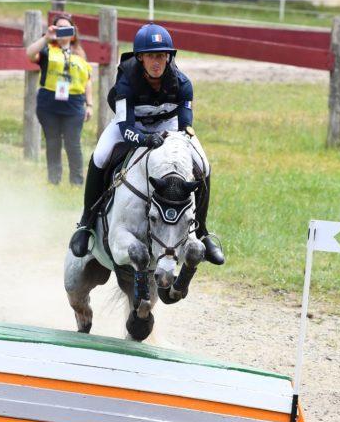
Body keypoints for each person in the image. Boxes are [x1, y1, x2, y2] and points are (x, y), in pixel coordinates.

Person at [68, 22, 224, 265]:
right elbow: (125, 127)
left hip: (168, 127)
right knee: (100, 155)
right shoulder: (126, 82)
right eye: (151, 56)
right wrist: (143, 139)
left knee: (203, 165)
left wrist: (175, 139)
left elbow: (185, 126)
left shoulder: (182, 83)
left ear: (169, 57)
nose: (157, 62)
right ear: (140, 57)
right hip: (131, 125)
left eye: (162, 56)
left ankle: (203, 231)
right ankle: (86, 223)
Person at [25, 14, 93, 185]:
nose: (63, 31)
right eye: (59, 27)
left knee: (73, 144)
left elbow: (87, 80)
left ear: (73, 32)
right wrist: (47, 38)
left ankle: (76, 182)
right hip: (49, 105)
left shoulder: (80, 54)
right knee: (53, 143)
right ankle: (53, 180)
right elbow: (30, 54)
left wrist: (89, 104)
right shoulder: (48, 50)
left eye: (66, 28)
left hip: (74, 105)